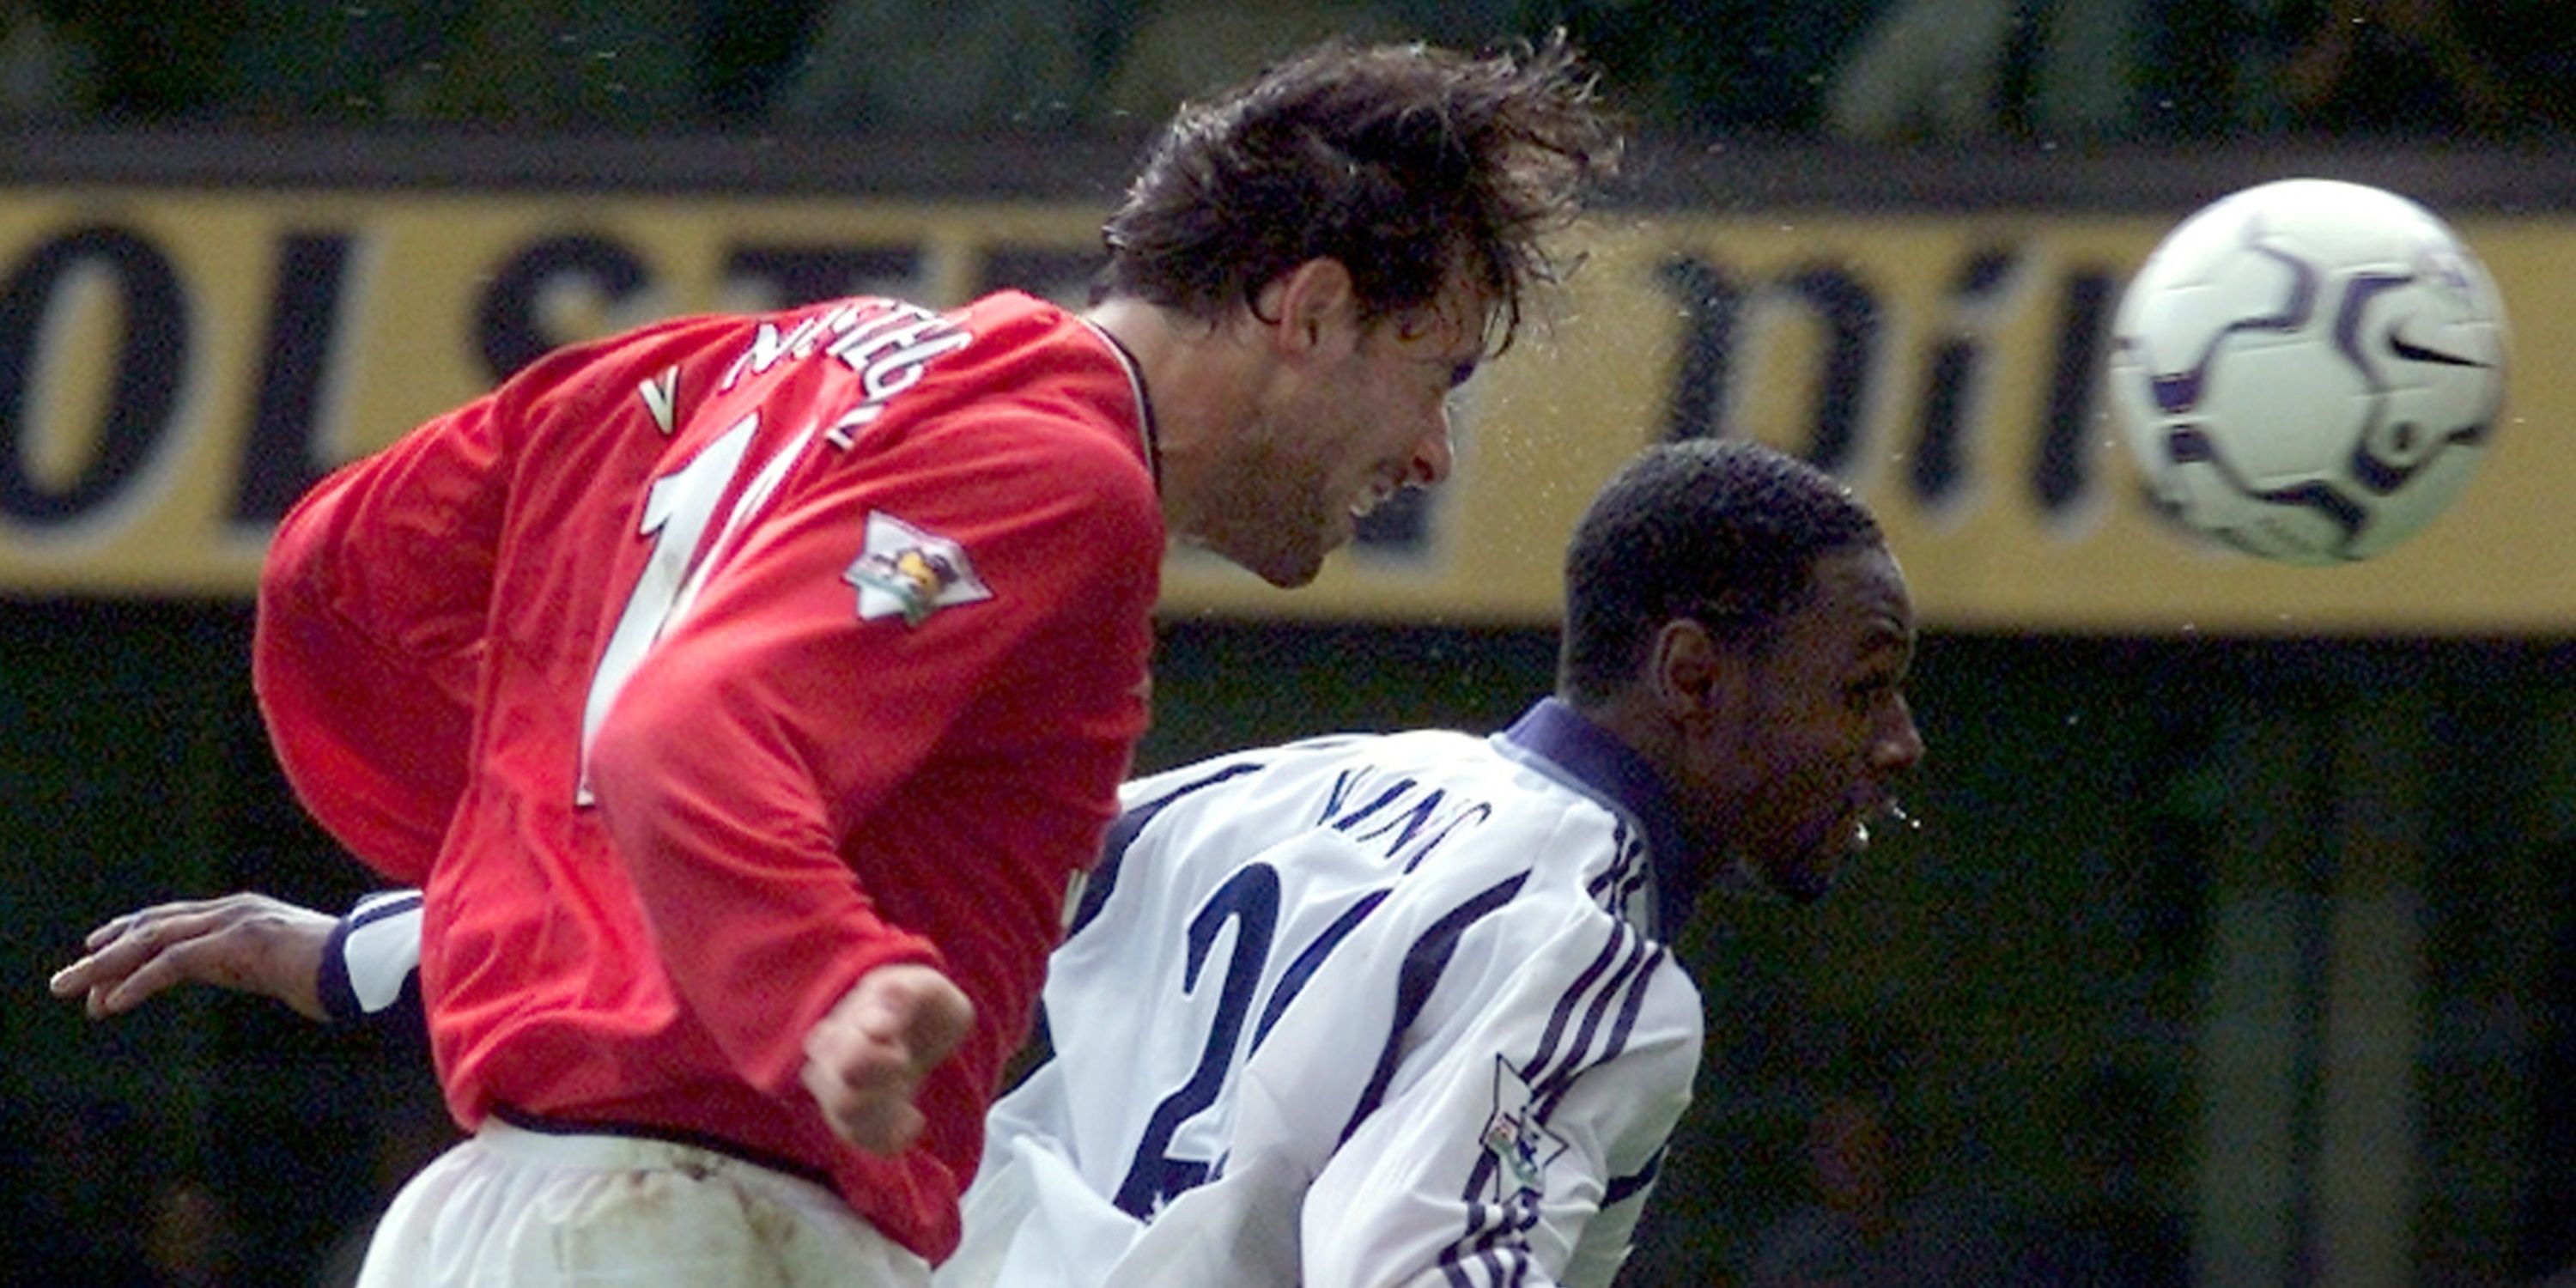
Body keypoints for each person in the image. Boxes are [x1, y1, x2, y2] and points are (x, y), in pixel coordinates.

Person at [52, 36, 1616, 1288]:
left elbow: (339, 573)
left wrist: (532, 873)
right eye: (1438, 376)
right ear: (1313, 307)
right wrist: (820, 982)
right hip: (702, 1227)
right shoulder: (1062, 477)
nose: (1429, 452)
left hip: (512, 1211)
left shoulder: (740, 366)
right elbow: (683, 734)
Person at [60, 436, 1924, 1285]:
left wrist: (355, 954)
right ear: (1693, 678)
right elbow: (1422, 1257)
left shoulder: (1298, 779)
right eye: (1870, 690)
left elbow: (841, 873)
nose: (1899, 747)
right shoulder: (1606, 957)